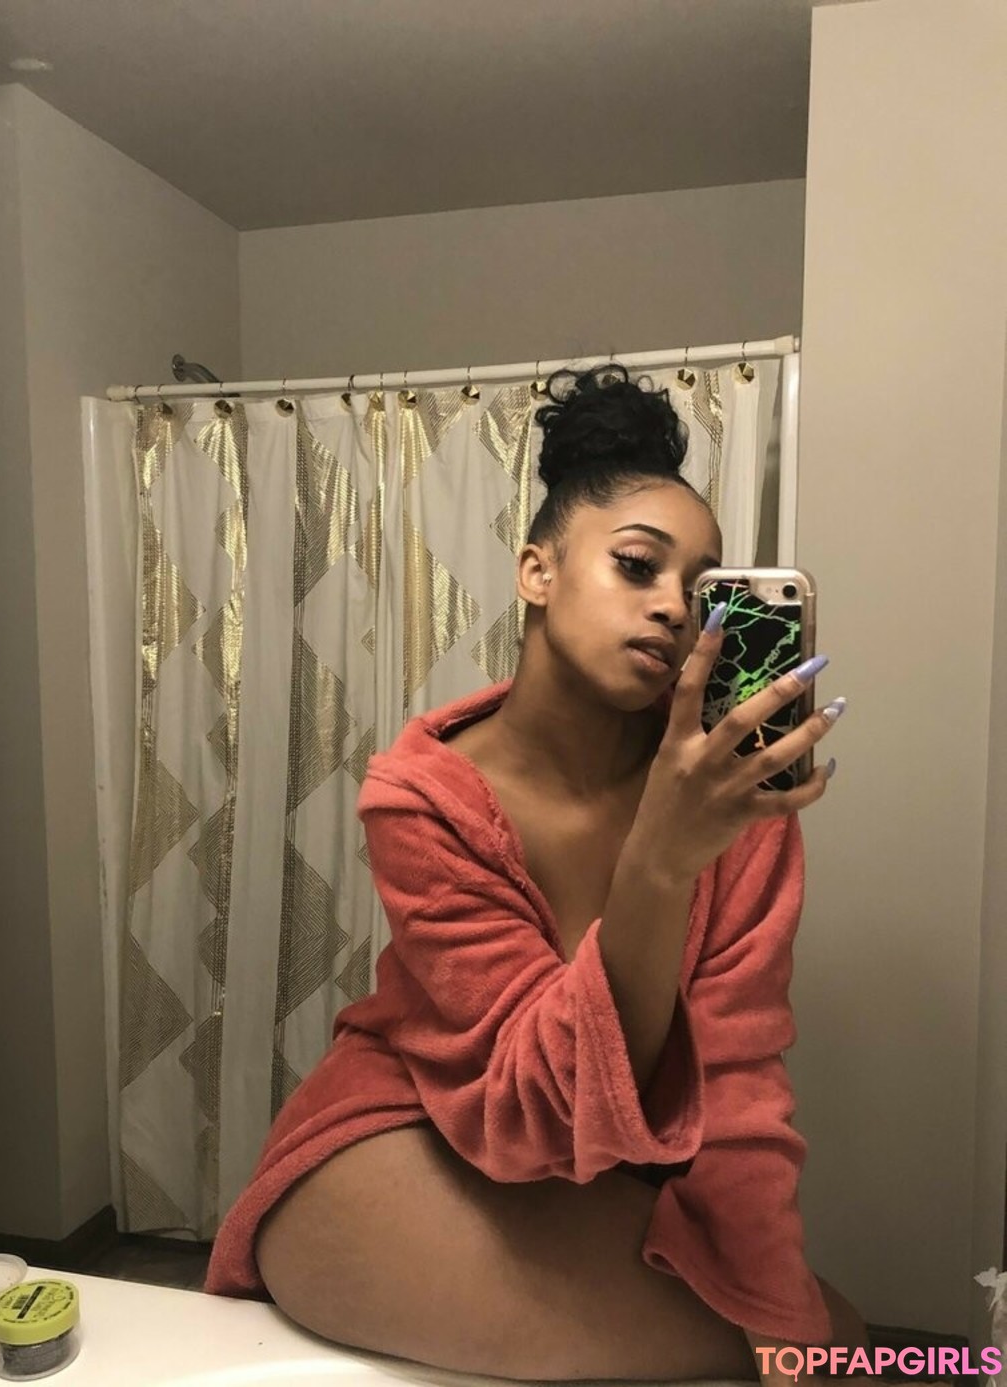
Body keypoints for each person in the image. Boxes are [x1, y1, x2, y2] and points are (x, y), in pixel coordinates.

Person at [206, 363, 868, 1385]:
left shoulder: (727, 797)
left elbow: (738, 1084)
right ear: (537, 572)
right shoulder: (423, 800)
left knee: (836, 1340)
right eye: (637, 565)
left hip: (602, 1166)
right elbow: (529, 1103)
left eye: (699, 592)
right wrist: (657, 863)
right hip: (407, 1139)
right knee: (765, 1351)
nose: (671, 609)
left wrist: (783, 1311)